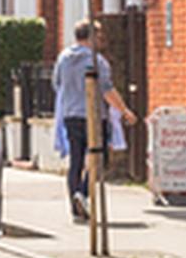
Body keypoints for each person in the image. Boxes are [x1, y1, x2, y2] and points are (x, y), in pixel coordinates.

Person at [52, 20, 137, 223]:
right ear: (90, 37)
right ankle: (82, 192)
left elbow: (57, 84)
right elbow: (107, 91)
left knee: (76, 160)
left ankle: (75, 207)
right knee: (99, 159)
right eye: (98, 36)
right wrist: (124, 110)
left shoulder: (63, 58)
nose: (101, 40)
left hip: (71, 115)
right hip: (95, 116)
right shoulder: (97, 61)